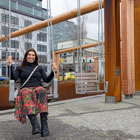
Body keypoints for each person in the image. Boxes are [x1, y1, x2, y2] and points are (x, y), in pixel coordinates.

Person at [6, 48, 57, 137]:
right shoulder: (20, 68)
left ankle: (45, 127)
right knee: (26, 93)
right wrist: (9, 66)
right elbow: (13, 78)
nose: (31, 56)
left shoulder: (39, 68)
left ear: (35, 57)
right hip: (26, 88)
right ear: (26, 56)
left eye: (33, 55)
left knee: (42, 91)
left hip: (37, 88)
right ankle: (35, 125)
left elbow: (46, 79)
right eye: (29, 55)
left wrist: (53, 71)